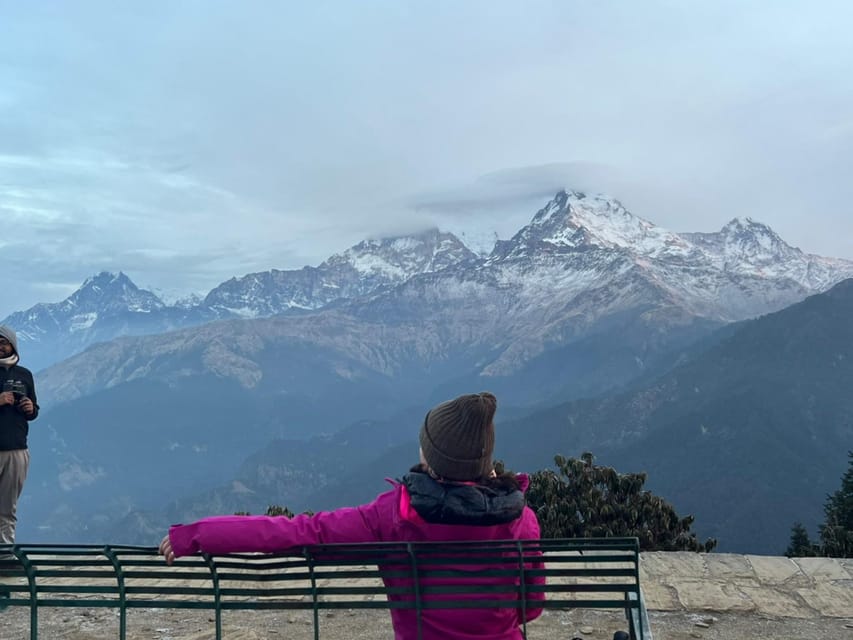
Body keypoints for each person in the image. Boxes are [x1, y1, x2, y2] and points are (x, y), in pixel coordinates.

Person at [160, 391, 543, 639]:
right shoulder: (521, 520)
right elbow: (531, 607)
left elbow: (297, 533)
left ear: (430, 457)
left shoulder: (392, 516)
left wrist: (195, 534)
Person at [0, 325, 38, 547]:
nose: (0, 348)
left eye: (4, 343)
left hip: (16, 450)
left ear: (12, 345)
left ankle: (5, 552)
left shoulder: (25, 375)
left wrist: (30, 408)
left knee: (7, 507)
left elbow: (34, 412)